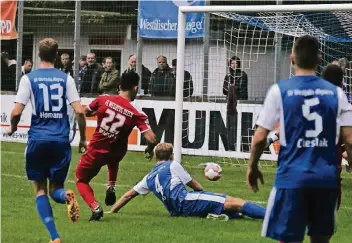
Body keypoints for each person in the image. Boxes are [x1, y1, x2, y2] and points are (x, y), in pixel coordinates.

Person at [247, 35, 352, 243]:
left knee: (288, 239)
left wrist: (252, 166)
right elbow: (349, 139)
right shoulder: (337, 94)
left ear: (291, 58)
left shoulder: (280, 91)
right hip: (326, 179)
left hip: (291, 179)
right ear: (319, 60)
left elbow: (259, 138)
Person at [7, 38, 87, 243]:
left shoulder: (29, 78)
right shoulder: (66, 78)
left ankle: (54, 237)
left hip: (38, 140)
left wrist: (13, 128)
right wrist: (83, 139)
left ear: (39, 56)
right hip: (60, 141)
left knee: (39, 189)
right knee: (55, 189)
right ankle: (66, 194)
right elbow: (79, 111)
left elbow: (16, 112)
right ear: (56, 56)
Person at [75, 71, 158, 221]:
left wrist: (99, 113)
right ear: (135, 87)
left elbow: (85, 112)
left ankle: (95, 207)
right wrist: (149, 149)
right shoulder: (135, 113)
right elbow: (152, 139)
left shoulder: (103, 99)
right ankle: (111, 186)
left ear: (119, 86)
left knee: (81, 180)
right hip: (117, 151)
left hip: (97, 149)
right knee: (113, 159)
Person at [108, 143, 266, 221]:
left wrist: (112, 211)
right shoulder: (173, 165)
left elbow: (128, 195)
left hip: (176, 211)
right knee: (235, 201)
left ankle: (220, 214)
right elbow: (196, 186)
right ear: (170, 156)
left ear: (156, 157)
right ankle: (272, 216)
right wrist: (205, 196)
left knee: (230, 207)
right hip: (186, 202)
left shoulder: (148, 177)